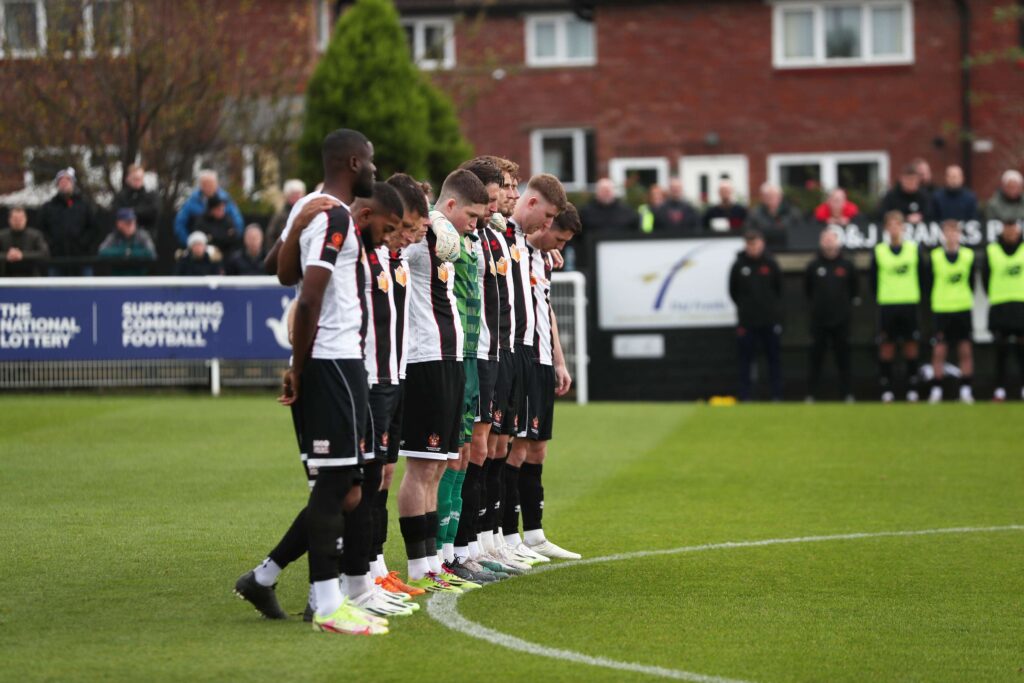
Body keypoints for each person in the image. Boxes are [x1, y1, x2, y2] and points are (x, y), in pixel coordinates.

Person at [234, 128, 391, 636]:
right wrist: (300, 369)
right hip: (331, 361)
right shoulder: (335, 215)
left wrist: (293, 221)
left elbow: (277, 272)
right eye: (370, 161)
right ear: (352, 162)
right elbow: (306, 298)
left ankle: (301, 586)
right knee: (336, 484)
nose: (374, 168)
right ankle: (326, 603)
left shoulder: (315, 209)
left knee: (349, 485)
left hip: (338, 362)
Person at [396, 168, 488, 594]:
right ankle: (418, 566)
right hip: (426, 360)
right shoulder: (418, 244)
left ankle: (433, 562)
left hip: (451, 360)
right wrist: (428, 225)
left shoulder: (449, 244)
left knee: (436, 468)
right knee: (422, 467)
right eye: (470, 215)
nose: (475, 224)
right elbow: (392, 252)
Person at [488, 173, 568, 566]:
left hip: (528, 354)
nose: (550, 228)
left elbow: (544, 307)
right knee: (497, 449)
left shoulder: (523, 243)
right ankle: (493, 538)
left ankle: (514, 537)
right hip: (502, 351)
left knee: (513, 445)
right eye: (549, 218)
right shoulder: (497, 234)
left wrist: (559, 358)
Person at [503, 203, 581, 559]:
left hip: (543, 360)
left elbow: (545, 308)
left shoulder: (545, 259)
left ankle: (533, 534)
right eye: (559, 238)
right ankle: (506, 536)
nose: (561, 248)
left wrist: (560, 360)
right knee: (515, 448)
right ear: (544, 225)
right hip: (522, 356)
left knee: (537, 448)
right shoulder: (515, 248)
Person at [872, 210, 924, 402]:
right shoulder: (879, 251)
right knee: (887, 346)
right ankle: (886, 388)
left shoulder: (913, 249)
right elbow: (873, 280)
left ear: (903, 228)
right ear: (886, 228)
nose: (894, 229)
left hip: (909, 303)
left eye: (897, 225)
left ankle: (912, 387)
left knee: (911, 345)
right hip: (888, 304)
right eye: (890, 225)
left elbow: (922, 275)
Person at [728, 229, 783, 401]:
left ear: (762, 244)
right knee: (745, 361)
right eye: (749, 244)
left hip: (769, 321)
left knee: (773, 360)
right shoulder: (738, 265)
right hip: (747, 322)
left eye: (756, 244)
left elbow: (779, 290)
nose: (753, 248)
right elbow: (733, 291)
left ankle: (776, 396)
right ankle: (746, 396)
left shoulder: (771, 264)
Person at [804, 227, 858, 402]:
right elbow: (808, 291)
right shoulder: (813, 266)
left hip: (842, 320)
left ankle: (847, 394)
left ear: (838, 241)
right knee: (815, 359)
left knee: (844, 359)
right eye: (825, 239)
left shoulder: (847, 265)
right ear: (821, 242)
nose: (828, 243)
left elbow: (854, 291)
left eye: (831, 239)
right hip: (819, 321)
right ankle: (812, 394)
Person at [924, 220, 976, 404]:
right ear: (943, 235)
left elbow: (971, 282)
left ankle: (966, 389)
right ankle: (936, 389)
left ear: (960, 235)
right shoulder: (935, 256)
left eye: (955, 232)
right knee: (939, 350)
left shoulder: (968, 255)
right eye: (948, 232)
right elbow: (928, 282)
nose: (951, 236)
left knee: (965, 349)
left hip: (962, 308)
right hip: (942, 308)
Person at [982, 219, 1024, 401]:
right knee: (1001, 349)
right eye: (1007, 228)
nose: (1011, 232)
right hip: (1000, 306)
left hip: (1021, 305)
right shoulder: (992, 250)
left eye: (1013, 228)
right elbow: (985, 277)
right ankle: (999, 389)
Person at [37, 168, 97, 275]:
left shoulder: (84, 205)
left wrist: (82, 244)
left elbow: (93, 229)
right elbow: (42, 230)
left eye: (68, 180)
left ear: (73, 183)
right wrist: (52, 245)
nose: (64, 183)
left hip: (82, 259)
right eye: (61, 181)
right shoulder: (48, 207)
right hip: (57, 260)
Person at [173, 169, 244, 247]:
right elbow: (180, 224)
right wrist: (189, 243)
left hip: (223, 246)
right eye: (205, 184)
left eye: (211, 184)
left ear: (217, 184)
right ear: (200, 185)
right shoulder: (192, 201)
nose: (208, 187)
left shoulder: (225, 199)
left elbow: (237, 220)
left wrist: (235, 237)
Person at [97, 208, 157, 275]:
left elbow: (151, 253)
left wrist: (130, 253)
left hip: (140, 278)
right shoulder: (113, 237)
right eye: (127, 223)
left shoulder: (142, 235)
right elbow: (102, 252)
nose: (131, 226)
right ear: (119, 224)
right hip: (118, 277)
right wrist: (123, 252)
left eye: (133, 222)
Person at [745, 182, 801, 248]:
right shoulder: (754, 213)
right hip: (764, 251)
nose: (770, 199)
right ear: (762, 197)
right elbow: (749, 232)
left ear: (780, 197)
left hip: (789, 249)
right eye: (767, 196)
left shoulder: (792, 212)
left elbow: (800, 232)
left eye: (773, 196)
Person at [0, 207, 50, 277]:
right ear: (9, 220)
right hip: (5, 278)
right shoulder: (2, 236)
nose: (18, 221)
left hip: (31, 278)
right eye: (15, 219)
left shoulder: (35, 235)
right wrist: (7, 256)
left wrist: (22, 255)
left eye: (20, 219)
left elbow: (45, 253)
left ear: (25, 219)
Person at [113, 164, 159, 234]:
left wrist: (132, 212)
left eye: (140, 178)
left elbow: (153, 213)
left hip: (146, 236)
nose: (137, 181)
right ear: (127, 178)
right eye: (135, 178)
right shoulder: (121, 197)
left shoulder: (150, 196)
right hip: (124, 238)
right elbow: (117, 214)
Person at [266, 179, 306, 245]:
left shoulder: (307, 213)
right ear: (287, 196)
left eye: (299, 194)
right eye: (294, 195)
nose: (297, 198)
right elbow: (271, 236)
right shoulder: (280, 216)